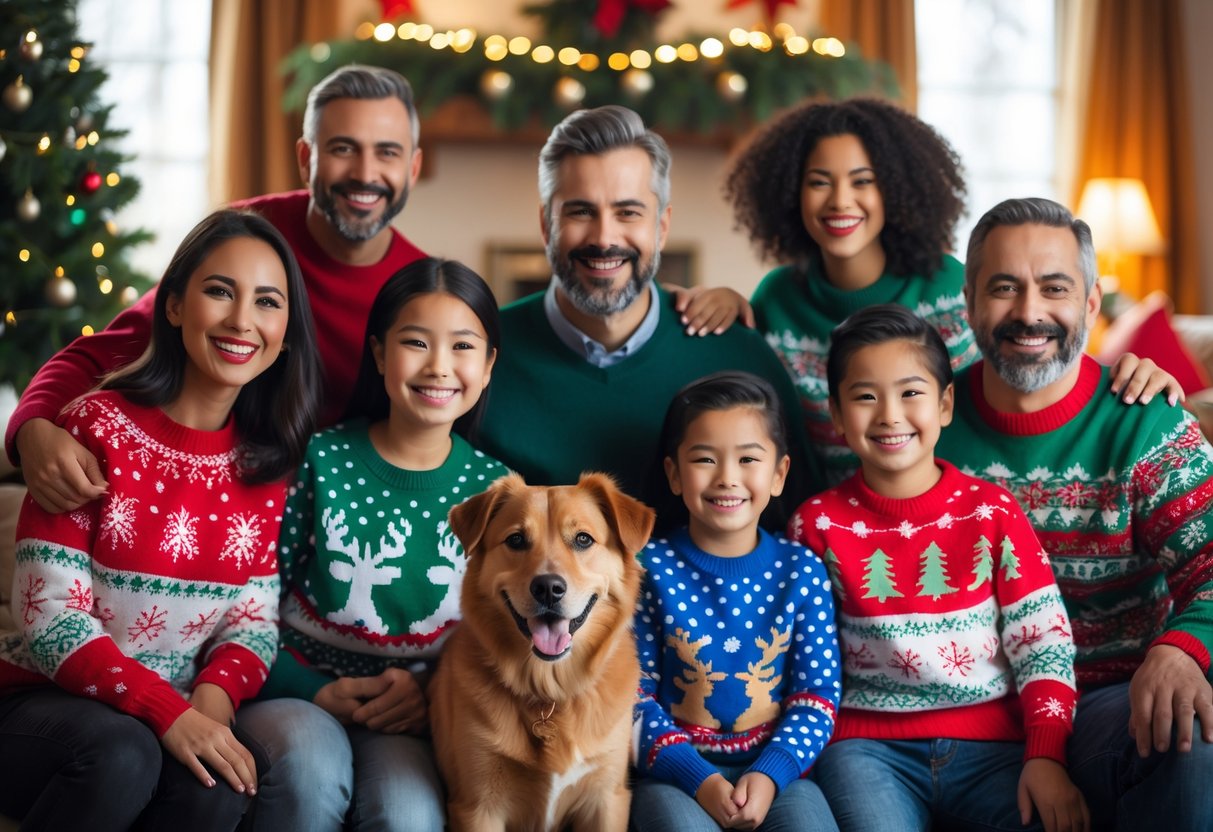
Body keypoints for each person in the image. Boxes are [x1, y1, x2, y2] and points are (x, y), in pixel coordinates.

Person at [0, 210, 322, 830]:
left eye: (267, 302)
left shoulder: (266, 467)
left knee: (218, 784)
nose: (241, 321)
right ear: (173, 307)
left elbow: (252, 623)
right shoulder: (93, 427)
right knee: (121, 752)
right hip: (40, 703)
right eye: (219, 291)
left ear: (286, 331)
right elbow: (49, 618)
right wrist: (167, 713)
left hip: (167, 713)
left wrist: (211, 701)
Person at [684, 97, 1181, 487]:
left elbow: (1024, 370)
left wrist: (1129, 369)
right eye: (819, 182)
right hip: (826, 535)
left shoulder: (948, 285)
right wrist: (729, 302)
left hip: (944, 524)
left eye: (864, 181)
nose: (840, 200)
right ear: (791, 193)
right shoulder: (776, 299)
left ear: (897, 190)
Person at [8, 64, 427, 512]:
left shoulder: (424, 292)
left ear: (413, 166)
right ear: (307, 159)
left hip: (337, 519)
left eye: (387, 153)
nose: (365, 172)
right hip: (210, 497)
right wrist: (32, 427)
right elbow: (109, 351)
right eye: (344, 148)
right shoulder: (246, 239)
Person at [935, 197, 1213, 830]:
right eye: (1004, 288)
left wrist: (1182, 650)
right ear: (970, 301)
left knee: (1192, 733)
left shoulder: (1146, 426)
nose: (1029, 313)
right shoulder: (926, 424)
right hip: (971, 719)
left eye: (1054, 288)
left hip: (1108, 707)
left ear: (1090, 304)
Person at [788, 304, 1086, 832]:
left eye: (910, 393)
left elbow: (1043, 642)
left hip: (994, 747)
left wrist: (1046, 754)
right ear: (835, 414)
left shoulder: (991, 511)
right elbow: (800, 664)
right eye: (864, 397)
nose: (889, 415)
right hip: (866, 751)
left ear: (945, 403)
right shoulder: (815, 525)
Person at [235, 258, 508, 831]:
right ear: (381, 354)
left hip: (413, 711)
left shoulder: (500, 495)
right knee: (309, 776)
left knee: (407, 815)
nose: (439, 366)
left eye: (462, 347)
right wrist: (309, 689)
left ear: (487, 368)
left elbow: (505, 639)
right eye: (416, 343)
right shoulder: (319, 460)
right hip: (295, 689)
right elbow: (248, 599)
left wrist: (429, 691)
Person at [477, 104, 816, 513]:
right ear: (547, 224)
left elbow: (799, 526)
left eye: (628, 212)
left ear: (662, 225)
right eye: (581, 211)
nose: (604, 237)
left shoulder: (738, 355)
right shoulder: (481, 358)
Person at [632, 371, 841, 832]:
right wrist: (698, 778)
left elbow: (816, 696)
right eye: (705, 459)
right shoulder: (646, 569)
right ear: (674, 473)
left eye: (748, 459)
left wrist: (771, 774)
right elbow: (631, 698)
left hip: (779, 777)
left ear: (779, 473)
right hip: (675, 776)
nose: (727, 478)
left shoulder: (800, 571)